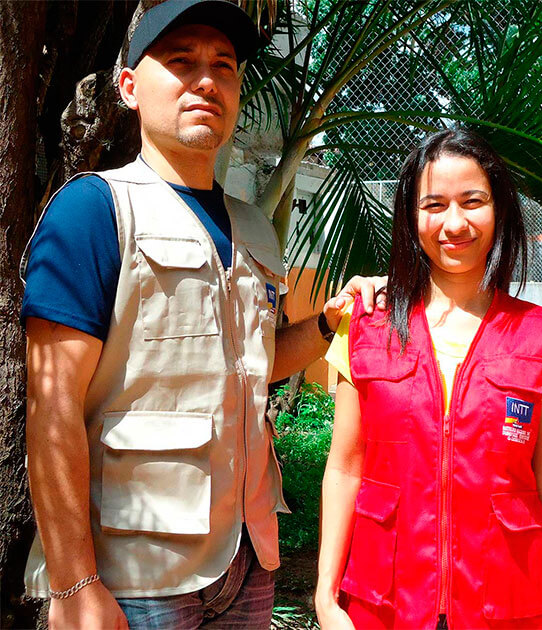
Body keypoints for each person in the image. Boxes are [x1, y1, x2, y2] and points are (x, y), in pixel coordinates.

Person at [20, 1, 384, 628]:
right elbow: (51, 407)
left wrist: (329, 322)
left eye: (224, 66)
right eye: (181, 61)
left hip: (247, 557)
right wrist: (74, 582)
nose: (206, 81)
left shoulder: (254, 228)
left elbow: (257, 363)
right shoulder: (94, 210)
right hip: (136, 572)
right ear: (130, 88)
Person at [316, 129, 542, 630]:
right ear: (410, 216)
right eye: (434, 205)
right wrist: (326, 597)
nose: (454, 223)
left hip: (509, 607)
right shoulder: (365, 326)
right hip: (385, 604)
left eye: (473, 201)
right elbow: (346, 468)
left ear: (499, 209)